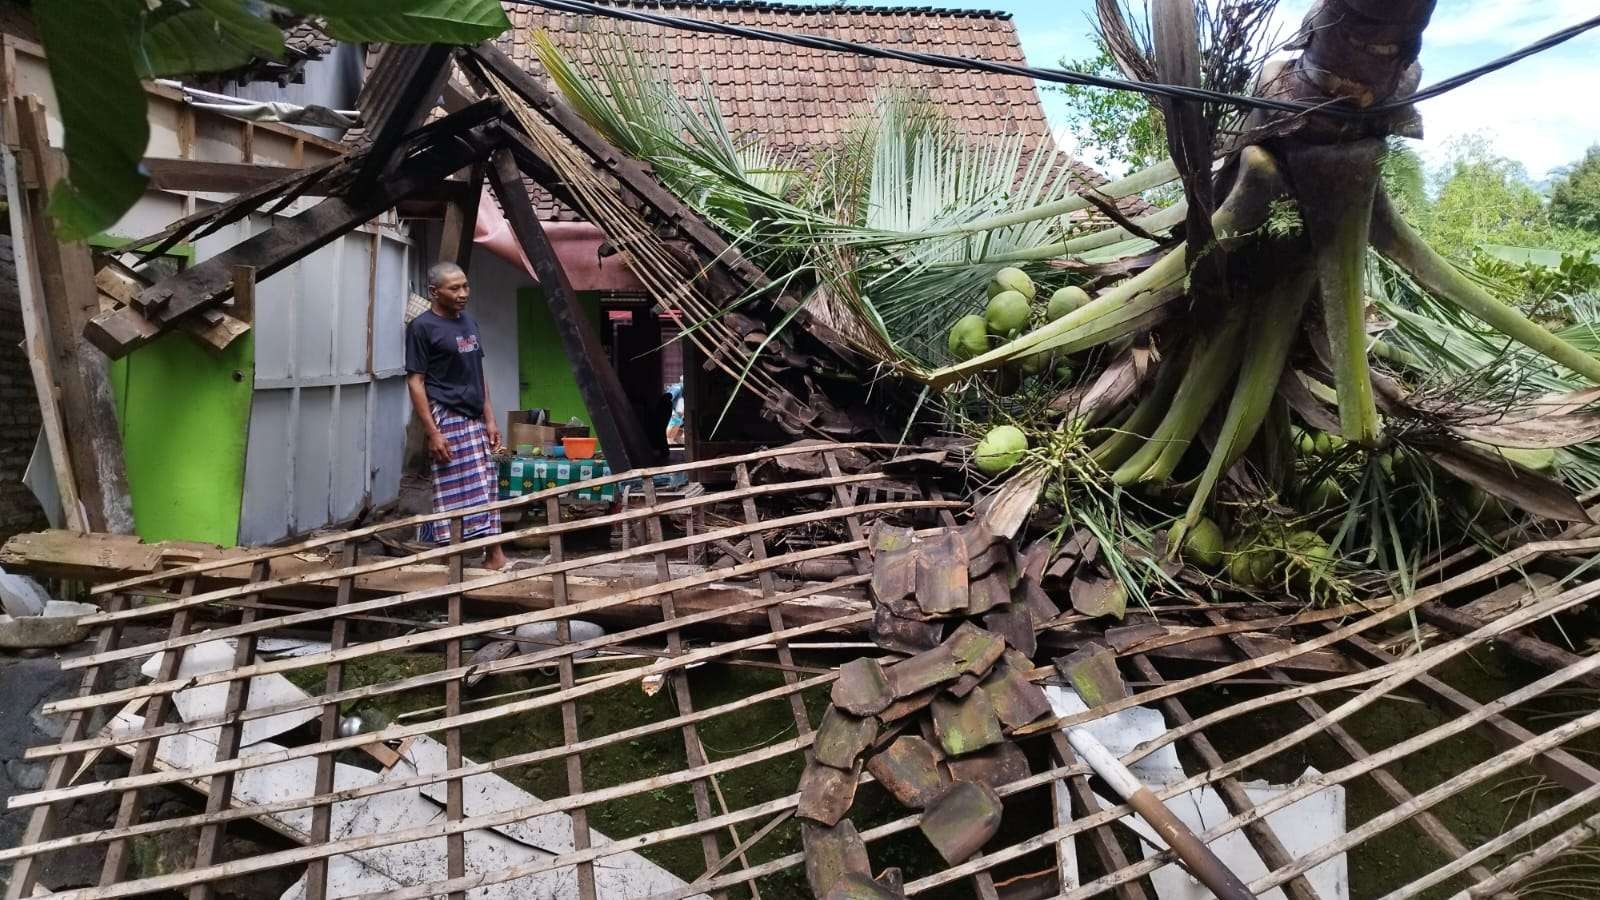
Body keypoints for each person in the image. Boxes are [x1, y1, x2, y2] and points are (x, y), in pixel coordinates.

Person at [406, 261, 509, 570]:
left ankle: (491, 556)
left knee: (487, 484)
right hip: (448, 415)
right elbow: (416, 381)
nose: (463, 293)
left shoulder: (469, 323)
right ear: (435, 292)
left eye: (465, 286)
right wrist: (433, 432)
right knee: (459, 488)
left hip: (474, 416)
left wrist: (489, 418)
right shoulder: (422, 328)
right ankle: (465, 556)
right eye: (455, 288)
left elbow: (478, 372)